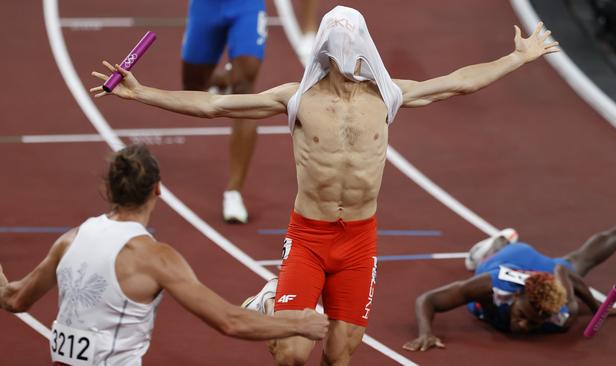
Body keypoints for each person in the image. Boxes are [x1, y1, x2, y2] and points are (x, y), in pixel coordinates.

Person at [90, 6, 559, 365]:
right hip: (310, 238)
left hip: (359, 241)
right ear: (326, 49)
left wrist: (517, 58)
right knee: (293, 353)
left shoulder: (388, 95)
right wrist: (141, 92)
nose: (348, 48)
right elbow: (215, 108)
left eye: (354, 39)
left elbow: (458, 83)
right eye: (338, 40)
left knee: (339, 354)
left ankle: (288, 303)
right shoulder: (297, 98)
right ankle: (275, 296)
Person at [0, 145, 328, 365]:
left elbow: (14, 299)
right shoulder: (155, 259)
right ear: (158, 189)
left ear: (110, 190)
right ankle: (270, 299)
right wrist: (299, 324)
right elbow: (229, 322)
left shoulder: (69, 242)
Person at [403, 201, 616, 352]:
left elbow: (563, 274)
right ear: (517, 295)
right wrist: (425, 332)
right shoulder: (492, 285)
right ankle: (501, 242)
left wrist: (597, 308)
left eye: (533, 323)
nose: (523, 326)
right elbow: (428, 300)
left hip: (543, 269)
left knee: (576, 264)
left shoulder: (561, 315)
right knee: (484, 264)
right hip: (511, 259)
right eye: (522, 316)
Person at [182, 0, 269, 223]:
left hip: (246, 6)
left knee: (245, 89)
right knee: (192, 87)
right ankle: (224, 78)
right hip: (206, 6)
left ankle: (234, 191)